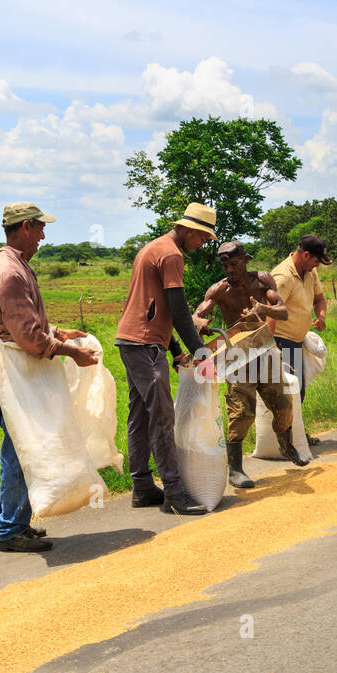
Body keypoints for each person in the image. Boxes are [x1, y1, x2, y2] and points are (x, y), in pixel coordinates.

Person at [0, 202, 97, 552]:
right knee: (22, 451)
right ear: (25, 227)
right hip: (17, 378)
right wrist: (72, 352)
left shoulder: (14, 265)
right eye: (40, 227)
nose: (44, 236)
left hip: (19, 376)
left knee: (20, 448)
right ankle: (9, 531)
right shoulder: (11, 273)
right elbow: (29, 337)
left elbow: (28, 324)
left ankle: (7, 522)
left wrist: (60, 332)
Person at [115, 202, 216, 515]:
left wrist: (174, 350)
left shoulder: (153, 248)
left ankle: (142, 487)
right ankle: (174, 492)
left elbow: (151, 306)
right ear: (189, 229)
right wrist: (202, 354)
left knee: (140, 416)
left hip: (133, 341)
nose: (201, 245)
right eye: (202, 238)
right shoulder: (171, 254)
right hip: (145, 346)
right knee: (161, 417)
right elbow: (178, 309)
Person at [193, 240, 306, 488]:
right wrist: (198, 322)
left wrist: (261, 308)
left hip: (264, 349)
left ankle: (287, 446)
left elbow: (282, 311)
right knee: (241, 412)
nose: (230, 270)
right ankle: (235, 470)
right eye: (225, 266)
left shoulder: (263, 280)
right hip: (236, 356)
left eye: (234, 264)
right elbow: (197, 315)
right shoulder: (219, 290)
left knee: (283, 404)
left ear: (246, 259)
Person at [269, 234, 328, 445]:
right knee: (288, 392)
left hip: (296, 341)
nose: (317, 266)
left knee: (297, 390)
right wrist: (272, 349)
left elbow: (319, 299)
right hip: (281, 341)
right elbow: (270, 312)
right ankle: (287, 440)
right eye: (315, 261)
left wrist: (320, 317)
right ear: (305, 255)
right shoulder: (283, 277)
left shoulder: (309, 272)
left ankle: (296, 434)